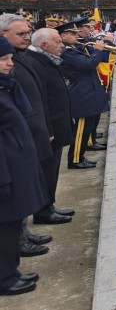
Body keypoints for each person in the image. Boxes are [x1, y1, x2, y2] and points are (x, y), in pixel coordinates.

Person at [0, 35, 48, 296]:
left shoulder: (5, 86)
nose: (10, 64)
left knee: (11, 225)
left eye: (9, 59)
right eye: (4, 60)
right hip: (5, 171)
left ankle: (11, 270)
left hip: (16, 164)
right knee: (4, 228)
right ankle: (4, 277)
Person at [27, 29, 76, 226]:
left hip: (56, 121)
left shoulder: (46, 59)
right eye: (57, 42)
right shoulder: (35, 63)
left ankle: (49, 205)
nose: (61, 45)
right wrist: (47, 128)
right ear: (44, 45)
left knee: (53, 168)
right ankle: (43, 210)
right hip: (49, 126)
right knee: (46, 169)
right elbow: (39, 100)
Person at [58, 18, 109, 170]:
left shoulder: (74, 49)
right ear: (63, 36)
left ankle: (81, 155)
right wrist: (98, 51)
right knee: (81, 129)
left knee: (88, 126)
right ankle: (75, 159)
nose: (76, 36)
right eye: (72, 33)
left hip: (87, 89)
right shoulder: (67, 53)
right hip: (81, 92)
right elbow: (87, 65)